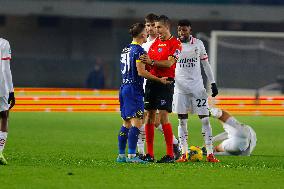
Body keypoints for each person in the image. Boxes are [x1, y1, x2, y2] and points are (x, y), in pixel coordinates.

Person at [116, 23, 170, 163]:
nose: (148, 34)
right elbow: (141, 72)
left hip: (123, 88)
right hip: (134, 88)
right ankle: (133, 156)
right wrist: (159, 80)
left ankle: (121, 156)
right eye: (146, 32)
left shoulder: (125, 49)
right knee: (137, 123)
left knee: (126, 122)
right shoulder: (139, 50)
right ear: (141, 35)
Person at [172, 19, 219, 163]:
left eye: (184, 30)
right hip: (180, 89)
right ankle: (184, 154)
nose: (182, 32)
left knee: (205, 119)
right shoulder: (174, 45)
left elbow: (206, 64)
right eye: (180, 30)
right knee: (182, 121)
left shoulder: (198, 44)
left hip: (198, 88)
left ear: (190, 30)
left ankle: (210, 153)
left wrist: (213, 83)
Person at [137, 13, 181, 159]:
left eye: (159, 27)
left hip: (166, 82)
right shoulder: (154, 44)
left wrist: (151, 62)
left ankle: (170, 154)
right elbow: (148, 66)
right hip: (152, 83)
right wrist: (143, 64)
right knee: (149, 117)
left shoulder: (175, 44)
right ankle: (149, 154)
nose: (157, 30)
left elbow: (169, 63)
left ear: (167, 27)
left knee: (163, 117)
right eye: (155, 27)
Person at [0, 38, 15, 165]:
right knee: (4, 116)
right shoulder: (4, 43)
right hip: (1, 87)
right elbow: (5, 69)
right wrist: (11, 91)